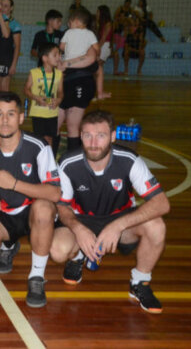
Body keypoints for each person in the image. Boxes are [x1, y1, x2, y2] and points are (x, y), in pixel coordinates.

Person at [51, 110, 169, 314]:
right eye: (87, 135)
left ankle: (140, 282)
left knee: (157, 226)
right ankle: (79, 255)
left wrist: (117, 226)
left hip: (120, 220)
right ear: (80, 135)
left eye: (101, 135)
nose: (94, 142)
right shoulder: (68, 163)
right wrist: (79, 230)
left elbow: (161, 204)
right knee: (57, 250)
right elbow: (62, 207)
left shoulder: (129, 160)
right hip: (82, 218)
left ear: (113, 136)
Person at [0, 91, 60, 308]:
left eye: (11, 114)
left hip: (35, 211)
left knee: (43, 209)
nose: (5, 120)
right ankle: (9, 244)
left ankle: (36, 276)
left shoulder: (38, 146)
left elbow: (55, 193)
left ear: (21, 118)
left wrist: (13, 184)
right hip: (6, 211)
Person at [56, 9, 98, 151]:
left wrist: (66, 61)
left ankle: (72, 158)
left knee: (72, 125)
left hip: (80, 82)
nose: (68, 24)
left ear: (77, 22)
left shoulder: (72, 34)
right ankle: (50, 156)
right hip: (65, 81)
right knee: (56, 122)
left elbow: (92, 58)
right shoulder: (89, 36)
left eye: (70, 21)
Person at [24, 43, 63, 154]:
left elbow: (60, 92)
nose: (58, 57)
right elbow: (26, 89)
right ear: (45, 58)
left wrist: (59, 99)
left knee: (51, 138)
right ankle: (41, 159)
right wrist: (36, 98)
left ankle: (50, 160)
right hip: (38, 113)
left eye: (59, 55)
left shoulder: (59, 74)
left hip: (52, 113)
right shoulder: (34, 73)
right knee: (41, 139)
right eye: (55, 55)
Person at [0, 0, 22, 91]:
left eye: (6, 6)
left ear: (11, 8)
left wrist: (13, 65)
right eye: (1, 5)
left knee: (4, 88)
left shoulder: (15, 24)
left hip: (7, 59)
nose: (3, 8)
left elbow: (17, 46)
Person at [94, 5, 112, 99]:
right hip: (102, 46)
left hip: (104, 47)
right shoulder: (101, 24)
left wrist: (97, 49)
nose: (96, 13)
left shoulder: (108, 24)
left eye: (98, 12)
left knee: (96, 69)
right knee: (98, 70)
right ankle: (100, 92)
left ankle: (98, 92)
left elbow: (104, 38)